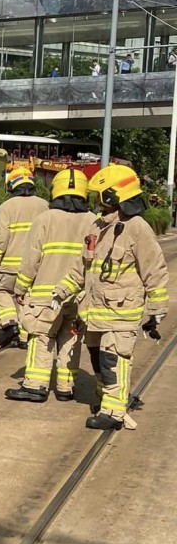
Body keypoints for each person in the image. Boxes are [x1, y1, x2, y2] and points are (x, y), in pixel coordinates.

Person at [81, 164, 169, 430]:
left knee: (113, 358)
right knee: (97, 356)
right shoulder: (99, 226)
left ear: (113, 195)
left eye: (100, 196)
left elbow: (154, 268)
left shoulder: (137, 228)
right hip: (96, 310)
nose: (97, 202)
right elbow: (83, 265)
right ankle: (105, 397)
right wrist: (63, 290)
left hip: (121, 312)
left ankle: (113, 411)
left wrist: (156, 308)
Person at [5, 168, 96, 403]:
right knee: (71, 338)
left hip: (46, 295)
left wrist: (20, 289)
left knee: (41, 337)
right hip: (77, 295)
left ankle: (35, 386)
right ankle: (66, 387)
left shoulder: (45, 219)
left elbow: (31, 259)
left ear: (56, 190)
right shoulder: (93, 221)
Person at [0, 166, 48, 348]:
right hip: (35, 264)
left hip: (9, 264)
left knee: (1, 291)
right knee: (26, 297)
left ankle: (10, 323)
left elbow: (1, 237)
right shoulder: (44, 205)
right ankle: (25, 337)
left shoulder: (6, 207)